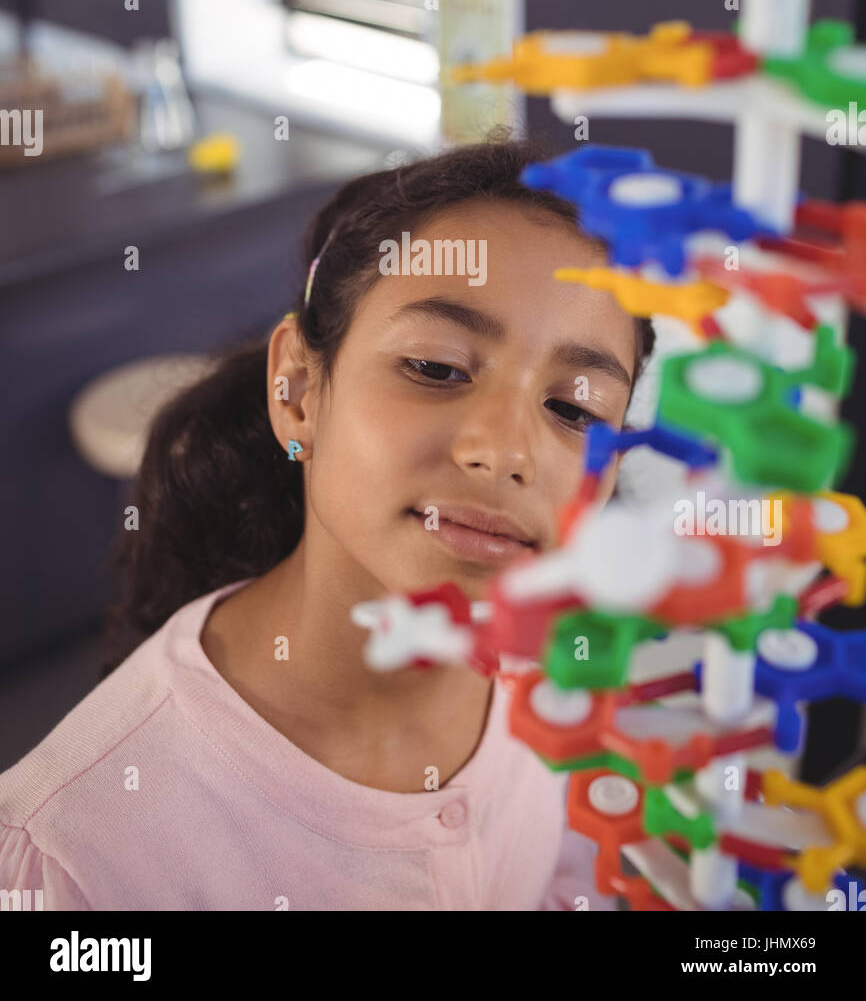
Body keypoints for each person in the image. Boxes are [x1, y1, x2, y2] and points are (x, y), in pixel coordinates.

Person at [0, 137, 654, 910]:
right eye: (436, 368)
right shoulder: (75, 855)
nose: (507, 450)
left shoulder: (560, 679)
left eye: (575, 409)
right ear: (300, 390)